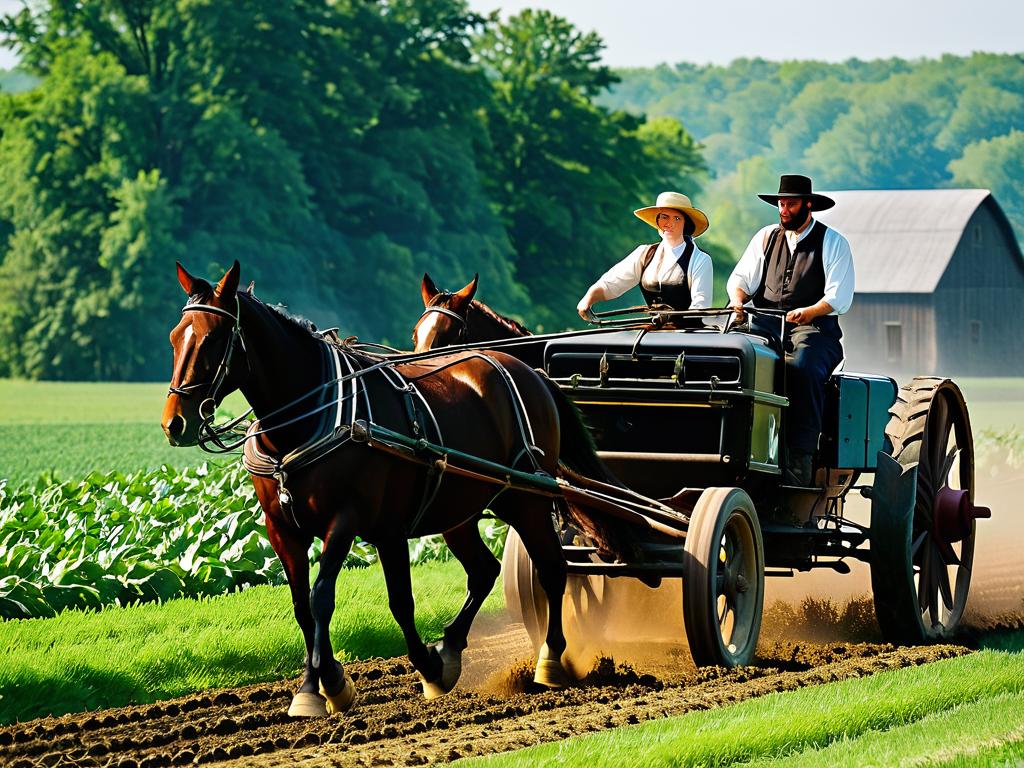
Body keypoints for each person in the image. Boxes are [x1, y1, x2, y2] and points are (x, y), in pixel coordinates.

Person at [727, 174, 855, 487]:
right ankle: (733, 444)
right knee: (733, 356)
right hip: (765, 324)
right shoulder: (766, 237)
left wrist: (808, 312)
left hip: (813, 329)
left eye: (791, 204)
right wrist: (738, 301)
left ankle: (801, 457)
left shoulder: (832, 242)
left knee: (803, 367)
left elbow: (838, 297)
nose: (784, 209)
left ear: (808, 205)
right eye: (781, 203)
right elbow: (740, 279)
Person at [577, 191, 713, 319]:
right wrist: (588, 298)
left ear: (686, 224)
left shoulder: (700, 260)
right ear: (657, 221)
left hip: (690, 336)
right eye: (664, 217)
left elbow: (700, 306)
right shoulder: (645, 254)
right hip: (652, 335)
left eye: (677, 218)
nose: (669, 223)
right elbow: (612, 283)